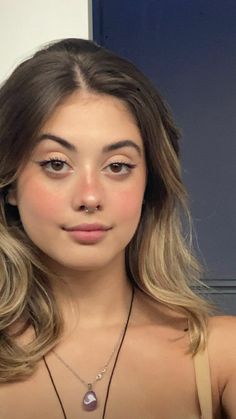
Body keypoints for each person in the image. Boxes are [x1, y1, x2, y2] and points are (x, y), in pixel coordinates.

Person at [0, 38, 235, 419]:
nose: (90, 196)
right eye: (57, 163)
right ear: (10, 182)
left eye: (118, 166)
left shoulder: (223, 356)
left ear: (149, 184)